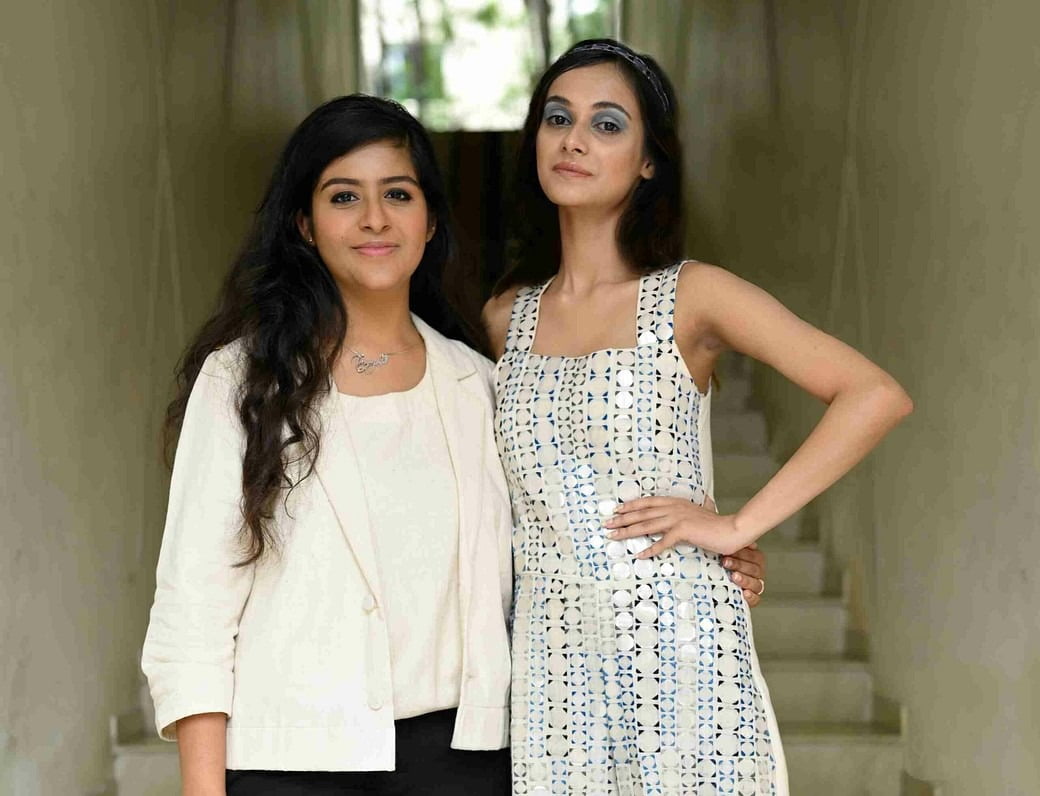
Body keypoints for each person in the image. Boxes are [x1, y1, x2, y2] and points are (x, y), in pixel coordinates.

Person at [141, 92, 771, 795]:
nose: (374, 218)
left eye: (398, 194)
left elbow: (566, 537)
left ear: (431, 220)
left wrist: (707, 553)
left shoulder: (483, 385)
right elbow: (193, 610)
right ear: (305, 225)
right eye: (343, 196)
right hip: (288, 764)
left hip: (466, 764)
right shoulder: (242, 380)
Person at [484, 39, 913, 795]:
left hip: (678, 640)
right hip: (552, 659)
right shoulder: (504, 317)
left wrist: (737, 527)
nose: (574, 139)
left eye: (607, 124)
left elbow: (873, 394)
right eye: (557, 118)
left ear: (650, 161)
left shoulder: (692, 295)